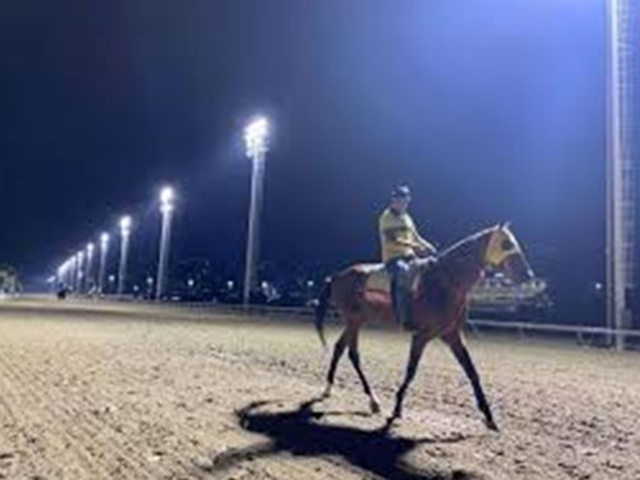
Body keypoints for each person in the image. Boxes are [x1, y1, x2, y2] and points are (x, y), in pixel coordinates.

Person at [379, 185, 436, 330]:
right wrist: (415, 246)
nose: (403, 204)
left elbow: (416, 236)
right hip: (393, 258)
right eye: (400, 201)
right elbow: (393, 239)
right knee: (403, 273)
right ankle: (403, 316)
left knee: (430, 269)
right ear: (394, 201)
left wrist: (428, 245)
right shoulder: (386, 217)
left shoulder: (407, 217)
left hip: (409, 256)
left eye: (405, 201)